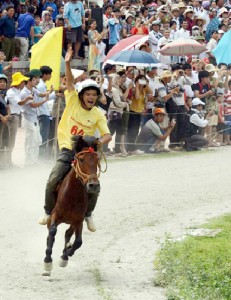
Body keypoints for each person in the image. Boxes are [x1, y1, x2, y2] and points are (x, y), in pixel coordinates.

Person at [38, 48, 112, 232]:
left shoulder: (97, 114)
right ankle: (48, 212)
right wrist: (68, 63)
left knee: (95, 185)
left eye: (94, 95)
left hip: (86, 153)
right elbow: (70, 82)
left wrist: (98, 142)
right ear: (81, 95)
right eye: (88, 94)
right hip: (67, 148)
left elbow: (107, 135)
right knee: (53, 179)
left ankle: (88, 214)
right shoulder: (72, 100)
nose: (91, 98)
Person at [6, 72, 30, 166]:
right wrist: (27, 98)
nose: (24, 83)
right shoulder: (11, 92)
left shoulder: (17, 91)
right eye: (23, 81)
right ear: (19, 82)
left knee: (12, 142)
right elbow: (19, 102)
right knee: (9, 141)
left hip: (15, 116)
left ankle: (9, 161)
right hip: (11, 117)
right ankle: (6, 162)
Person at [36, 65, 56, 160]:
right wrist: (54, 94)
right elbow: (43, 99)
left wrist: (52, 93)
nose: (50, 76)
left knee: (44, 136)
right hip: (42, 113)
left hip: (44, 112)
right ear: (45, 75)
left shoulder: (42, 85)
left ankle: (41, 157)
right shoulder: (40, 85)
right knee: (43, 137)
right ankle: (41, 158)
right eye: (49, 74)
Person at [0, 74, 10, 169]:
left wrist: (8, 115)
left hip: (5, 121)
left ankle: (2, 163)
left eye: (4, 82)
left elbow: (8, 107)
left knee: (4, 142)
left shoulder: (6, 95)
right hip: (1, 120)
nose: (2, 83)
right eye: (1, 82)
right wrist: (2, 117)